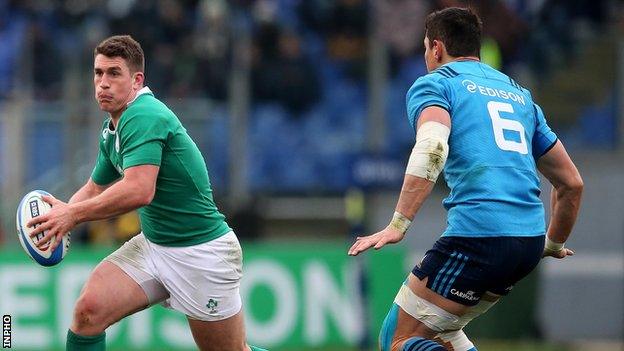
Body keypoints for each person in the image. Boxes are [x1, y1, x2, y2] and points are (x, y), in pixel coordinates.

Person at [348, 7, 583, 351]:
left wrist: (398, 224)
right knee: (443, 332)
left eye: (426, 47)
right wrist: (552, 244)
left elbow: (431, 147)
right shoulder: (518, 94)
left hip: (480, 236)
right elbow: (571, 183)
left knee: (397, 339)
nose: (426, 55)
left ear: (437, 48)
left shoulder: (437, 84)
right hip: (528, 242)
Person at [28, 35, 267, 351]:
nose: (103, 83)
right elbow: (94, 187)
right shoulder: (112, 127)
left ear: (136, 80)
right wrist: (60, 218)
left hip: (201, 252)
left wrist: (71, 215)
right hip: (155, 246)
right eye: (98, 73)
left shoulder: (144, 115)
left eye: (114, 73)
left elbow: (140, 191)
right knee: (88, 312)